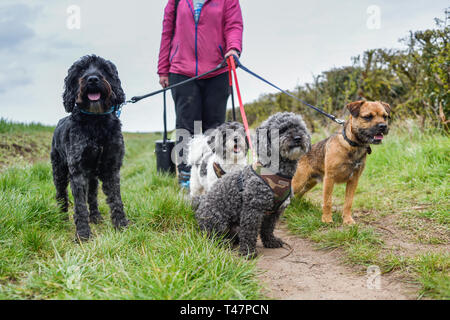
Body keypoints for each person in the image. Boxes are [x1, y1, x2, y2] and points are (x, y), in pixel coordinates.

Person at [158, 0, 243, 189]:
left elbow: (234, 26)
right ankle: (186, 177)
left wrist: (233, 49)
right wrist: (163, 69)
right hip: (181, 71)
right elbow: (167, 33)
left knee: (214, 126)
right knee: (186, 126)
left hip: (218, 70)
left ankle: (214, 174)